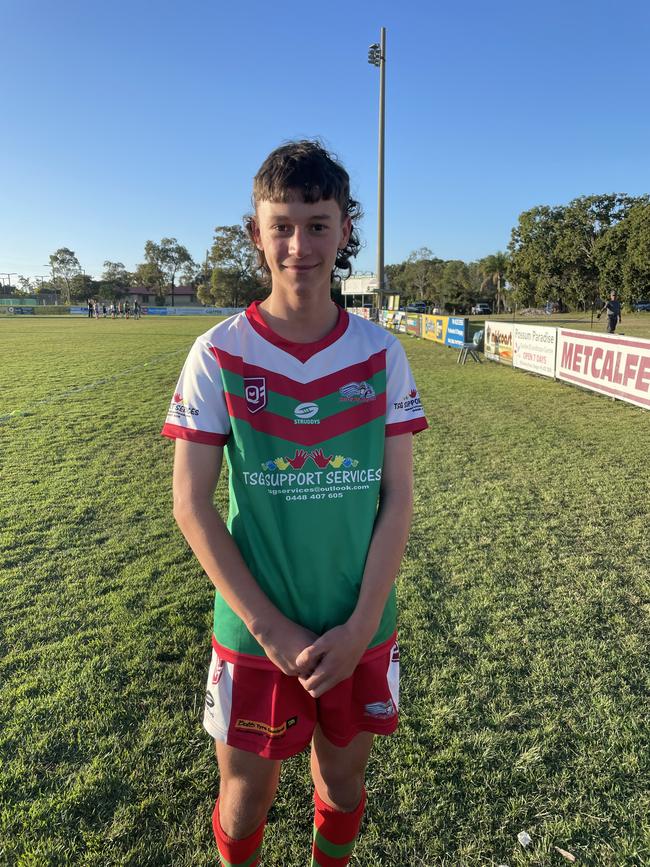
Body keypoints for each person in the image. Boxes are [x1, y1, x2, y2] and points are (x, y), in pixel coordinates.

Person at [161, 140, 427, 866]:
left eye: (317, 224)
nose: (298, 244)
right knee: (244, 798)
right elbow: (191, 502)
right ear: (256, 232)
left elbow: (398, 497)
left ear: (345, 231)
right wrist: (270, 626)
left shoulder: (380, 355)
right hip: (255, 630)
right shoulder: (218, 352)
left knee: (342, 787)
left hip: (360, 623)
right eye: (281, 224)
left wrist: (363, 620)